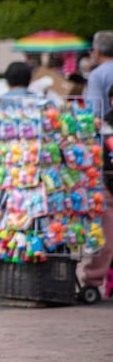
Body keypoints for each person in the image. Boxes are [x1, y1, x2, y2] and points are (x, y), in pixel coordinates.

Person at [81, 30, 113, 295]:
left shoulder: (98, 75)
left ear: (98, 51)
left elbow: (93, 117)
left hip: (106, 157)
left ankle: (94, 279)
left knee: (106, 221)